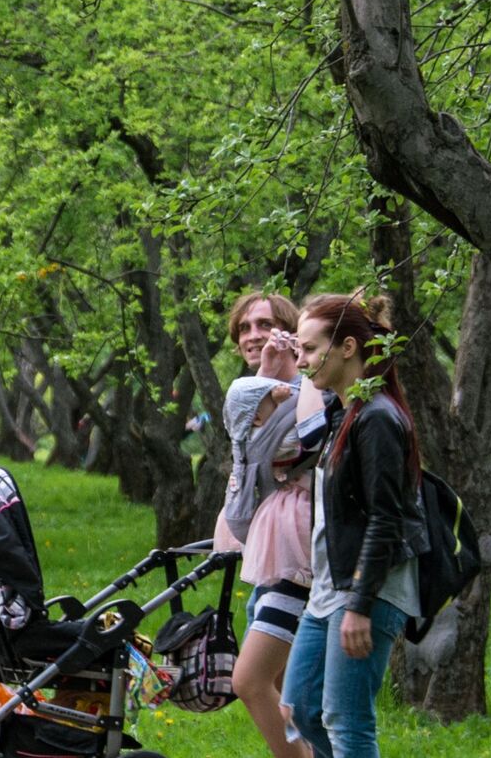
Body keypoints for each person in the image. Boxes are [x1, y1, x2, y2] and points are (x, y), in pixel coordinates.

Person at [282, 294, 429, 758]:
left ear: (348, 347)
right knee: (302, 708)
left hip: (366, 590)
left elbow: (387, 518)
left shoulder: (379, 418)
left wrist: (361, 606)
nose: (300, 361)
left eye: (308, 349)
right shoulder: (343, 413)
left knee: (348, 721)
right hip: (329, 590)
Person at [211, 292, 316, 758]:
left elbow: (257, 452)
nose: (254, 335)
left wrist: (274, 378)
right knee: (287, 691)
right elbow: (246, 471)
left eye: (266, 324)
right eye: (246, 328)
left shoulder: (306, 392)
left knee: (249, 681)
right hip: (269, 556)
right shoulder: (257, 391)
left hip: (300, 558)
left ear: (290, 333)